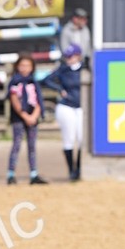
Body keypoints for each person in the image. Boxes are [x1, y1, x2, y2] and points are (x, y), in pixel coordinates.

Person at [43, 44, 84, 180]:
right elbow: (47, 79)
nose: (68, 59)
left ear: (78, 56)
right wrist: (60, 89)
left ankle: (79, 168)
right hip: (67, 106)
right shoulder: (63, 69)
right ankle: (71, 170)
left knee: (82, 139)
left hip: (82, 107)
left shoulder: (85, 69)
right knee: (69, 139)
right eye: (66, 56)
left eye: (70, 56)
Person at [6, 54, 48, 185]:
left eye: (28, 65)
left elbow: (38, 101)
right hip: (19, 118)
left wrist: (34, 116)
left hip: (32, 117)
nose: (25, 68)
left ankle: (34, 173)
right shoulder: (14, 82)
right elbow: (15, 101)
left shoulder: (34, 82)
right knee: (17, 145)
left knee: (32, 146)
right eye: (22, 65)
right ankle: (11, 174)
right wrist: (25, 116)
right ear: (17, 67)